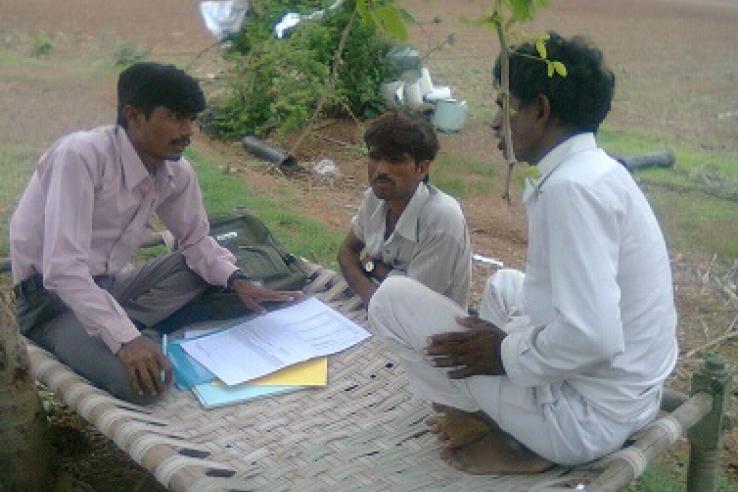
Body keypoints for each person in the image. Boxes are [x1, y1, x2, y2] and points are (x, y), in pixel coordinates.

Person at [368, 33, 678, 473]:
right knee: (504, 286)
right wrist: (508, 344)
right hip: (629, 397)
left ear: (541, 110)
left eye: (505, 105)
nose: (495, 121)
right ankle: (509, 414)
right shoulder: (598, 170)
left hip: (584, 420)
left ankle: (492, 432)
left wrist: (502, 354)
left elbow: (594, 337)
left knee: (391, 299)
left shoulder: (572, 189)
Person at [10, 62, 301, 405]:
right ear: (134, 115)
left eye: (192, 120)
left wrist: (237, 280)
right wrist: (126, 341)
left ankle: (124, 327)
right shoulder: (80, 157)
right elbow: (63, 271)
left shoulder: (177, 171)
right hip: (50, 304)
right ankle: (126, 332)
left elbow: (195, 241)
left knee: (203, 269)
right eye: (176, 118)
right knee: (146, 382)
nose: (188, 131)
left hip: (109, 286)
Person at [337, 111, 471, 309]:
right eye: (375, 157)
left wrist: (370, 266)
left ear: (422, 169)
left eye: (395, 160)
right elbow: (346, 252)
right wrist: (370, 293)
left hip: (429, 331)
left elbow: (414, 302)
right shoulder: (374, 199)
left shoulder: (442, 219)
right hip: (379, 310)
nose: (381, 170)